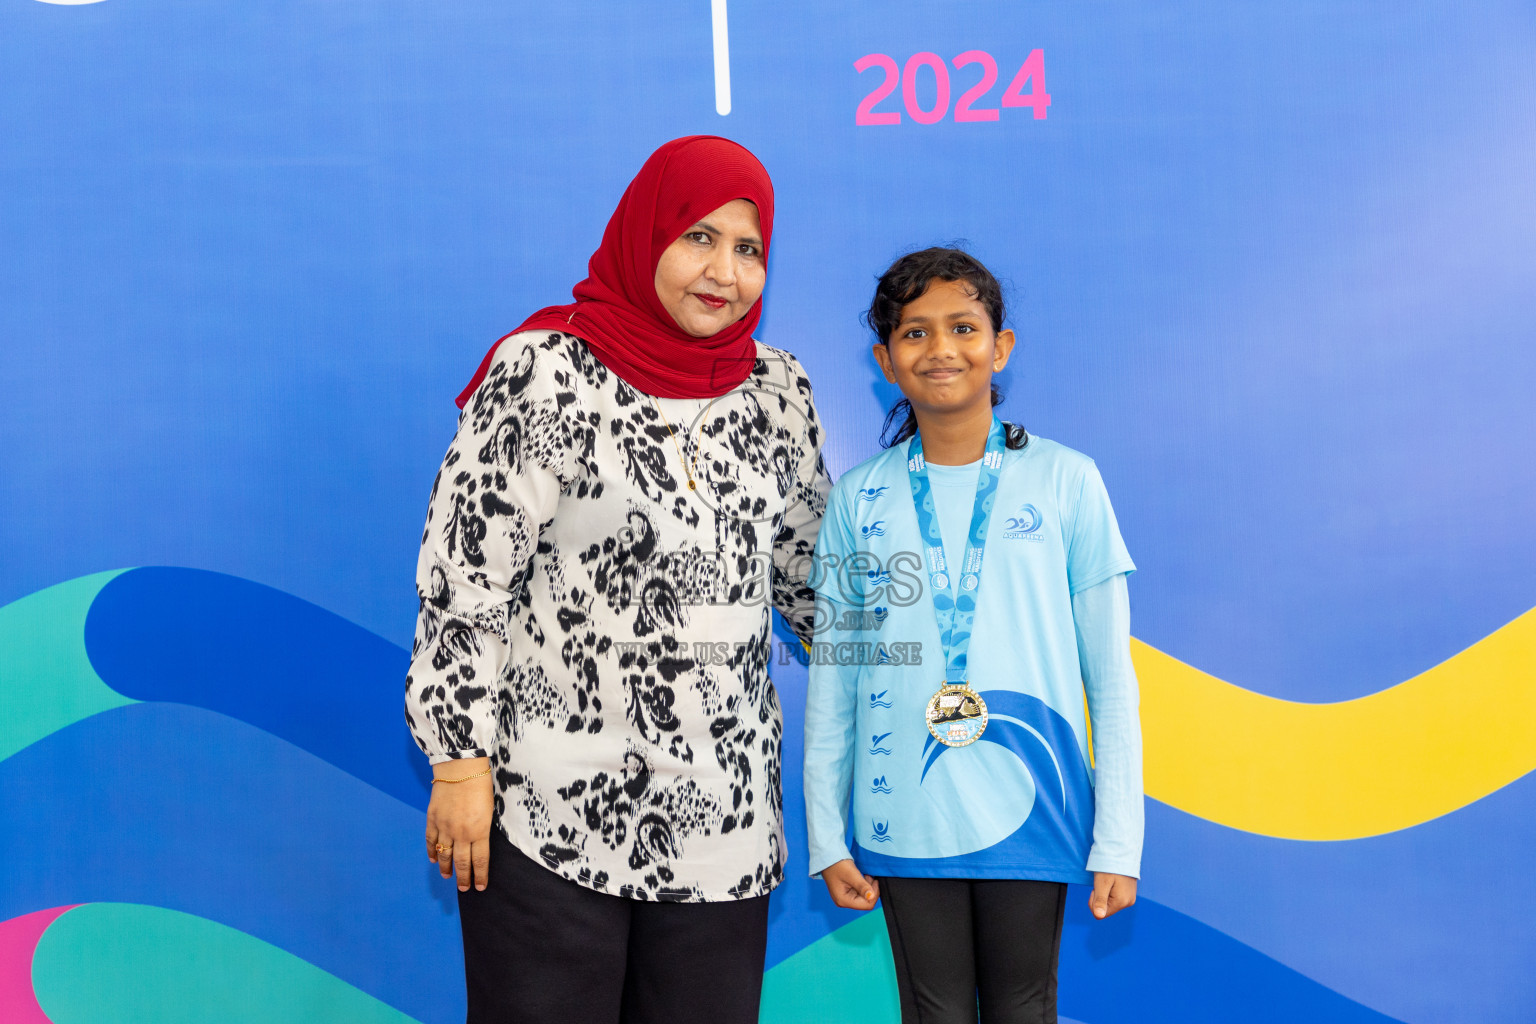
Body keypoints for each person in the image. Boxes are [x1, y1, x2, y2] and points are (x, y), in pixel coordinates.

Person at [405, 136, 830, 1024]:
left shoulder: (779, 392)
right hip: (548, 812)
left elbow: (812, 584)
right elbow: (465, 585)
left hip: (726, 818)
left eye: (749, 249)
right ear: (648, 238)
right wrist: (458, 765)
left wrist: (928, 679)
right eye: (698, 238)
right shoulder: (545, 374)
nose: (725, 271)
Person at [802, 247, 1143, 1024]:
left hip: (1037, 797)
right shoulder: (860, 500)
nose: (942, 349)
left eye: (963, 326)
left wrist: (1118, 840)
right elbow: (838, 680)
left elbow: (1111, 680)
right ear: (886, 361)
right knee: (934, 1013)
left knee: (1025, 1008)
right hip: (906, 809)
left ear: (1002, 346)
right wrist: (827, 831)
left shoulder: (1068, 481)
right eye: (915, 334)